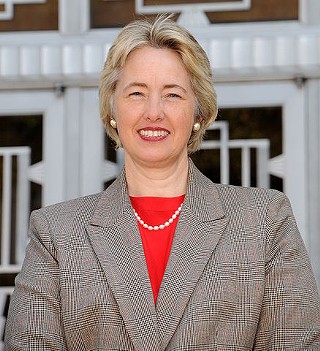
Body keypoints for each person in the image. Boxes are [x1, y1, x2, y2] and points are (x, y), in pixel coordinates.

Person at [4, 14, 320, 350]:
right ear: (112, 108)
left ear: (199, 114)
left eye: (173, 95)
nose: (153, 112)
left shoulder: (265, 221)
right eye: (137, 93)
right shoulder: (55, 233)